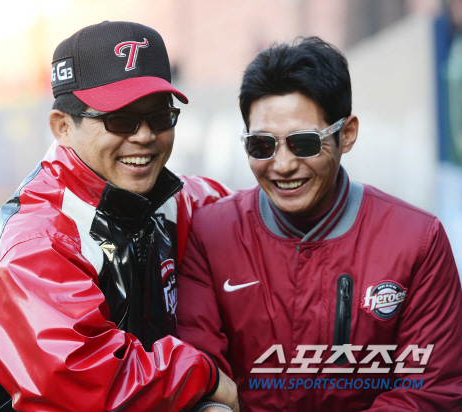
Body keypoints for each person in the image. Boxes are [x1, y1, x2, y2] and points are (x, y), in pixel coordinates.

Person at [0, 21, 238, 412]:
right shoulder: (40, 240)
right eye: (120, 119)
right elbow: (89, 379)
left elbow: (249, 213)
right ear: (63, 127)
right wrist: (207, 377)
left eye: (160, 117)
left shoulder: (175, 199)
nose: (144, 136)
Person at [176, 37, 462, 411]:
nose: (282, 165)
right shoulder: (209, 234)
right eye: (262, 145)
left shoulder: (417, 240)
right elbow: (199, 374)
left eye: (304, 143)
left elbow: (430, 389)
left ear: (347, 134)